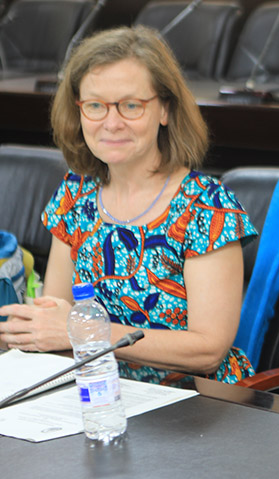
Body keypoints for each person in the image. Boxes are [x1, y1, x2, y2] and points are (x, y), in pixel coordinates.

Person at [0, 26, 257, 384]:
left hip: (192, 404)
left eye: (131, 105)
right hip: (92, 390)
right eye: (95, 106)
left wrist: (86, 333)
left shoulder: (207, 206)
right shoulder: (75, 193)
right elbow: (56, 316)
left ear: (165, 109)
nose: (111, 123)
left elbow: (208, 349)